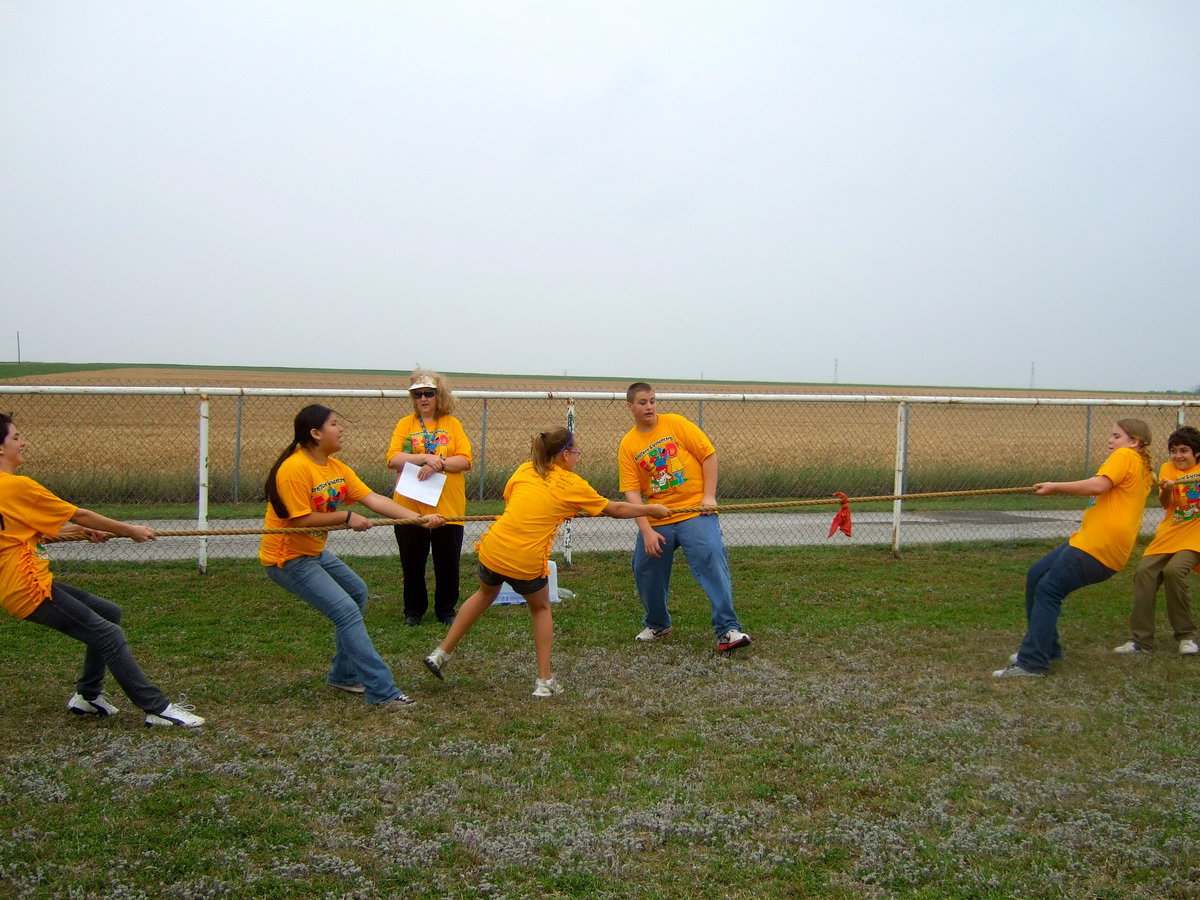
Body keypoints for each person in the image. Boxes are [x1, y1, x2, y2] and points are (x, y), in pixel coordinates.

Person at [422, 427, 670, 697]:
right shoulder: (573, 485)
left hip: (493, 548)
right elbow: (616, 509)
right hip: (525, 560)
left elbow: (512, 499)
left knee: (484, 594)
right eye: (576, 452)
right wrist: (652, 509)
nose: (578, 457)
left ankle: (441, 654)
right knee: (540, 609)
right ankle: (545, 681)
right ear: (564, 455)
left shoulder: (525, 469)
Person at [0, 414, 204, 728]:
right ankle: (157, 708)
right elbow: (79, 513)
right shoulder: (15, 487)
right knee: (110, 635)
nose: (22, 442)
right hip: (30, 587)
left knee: (109, 613)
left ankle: (88, 697)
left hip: (20, 585)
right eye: (15, 437)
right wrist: (129, 529)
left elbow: (24, 533)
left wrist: (79, 532)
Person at [261, 404, 444, 709]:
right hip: (287, 558)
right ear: (316, 433)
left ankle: (343, 676)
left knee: (357, 592)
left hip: (313, 551)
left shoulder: (335, 468)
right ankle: (382, 692)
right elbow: (298, 521)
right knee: (346, 611)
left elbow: (374, 499)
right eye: (334, 424)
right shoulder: (294, 469)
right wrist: (345, 517)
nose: (340, 428)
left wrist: (419, 518)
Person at [994, 419, 1155, 677]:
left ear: (1134, 441)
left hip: (1099, 545)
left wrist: (1055, 487)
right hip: (1089, 540)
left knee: (1049, 589)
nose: (1110, 441)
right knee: (1037, 575)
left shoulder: (1126, 456)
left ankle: (1032, 662)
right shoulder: (1142, 466)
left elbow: (1098, 485)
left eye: (1116, 436)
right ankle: (1047, 648)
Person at [618, 382, 752, 652]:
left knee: (711, 555)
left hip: (694, 511)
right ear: (630, 406)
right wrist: (646, 531)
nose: (649, 407)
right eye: (643, 402)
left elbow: (708, 455)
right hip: (659, 514)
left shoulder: (676, 424)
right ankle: (657, 624)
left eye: (653, 401)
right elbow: (632, 493)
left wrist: (709, 497)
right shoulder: (628, 445)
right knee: (644, 567)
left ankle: (728, 629)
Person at [385, 370, 472, 627]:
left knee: (448, 562)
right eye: (417, 394)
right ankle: (414, 610)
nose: (423, 399)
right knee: (412, 562)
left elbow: (465, 459)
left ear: (438, 395)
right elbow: (393, 458)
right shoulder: (405, 424)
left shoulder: (452, 424)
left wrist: (439, 464)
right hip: (410, 506)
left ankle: (446, 609)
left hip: (448, 505)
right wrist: (423, 458)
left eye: (428, 393)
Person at [1113, 425, 1200, 657]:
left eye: (1184, 451)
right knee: (1144, 572)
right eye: (1174, 451)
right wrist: (1168, 489)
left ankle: (1187, 636)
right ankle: (1140, 640)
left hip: (1195, 536)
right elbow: (1165, 503)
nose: (1178, 456)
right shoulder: (1167, 469)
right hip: (1170, 533)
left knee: (1174, 571)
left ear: (1196, 453)